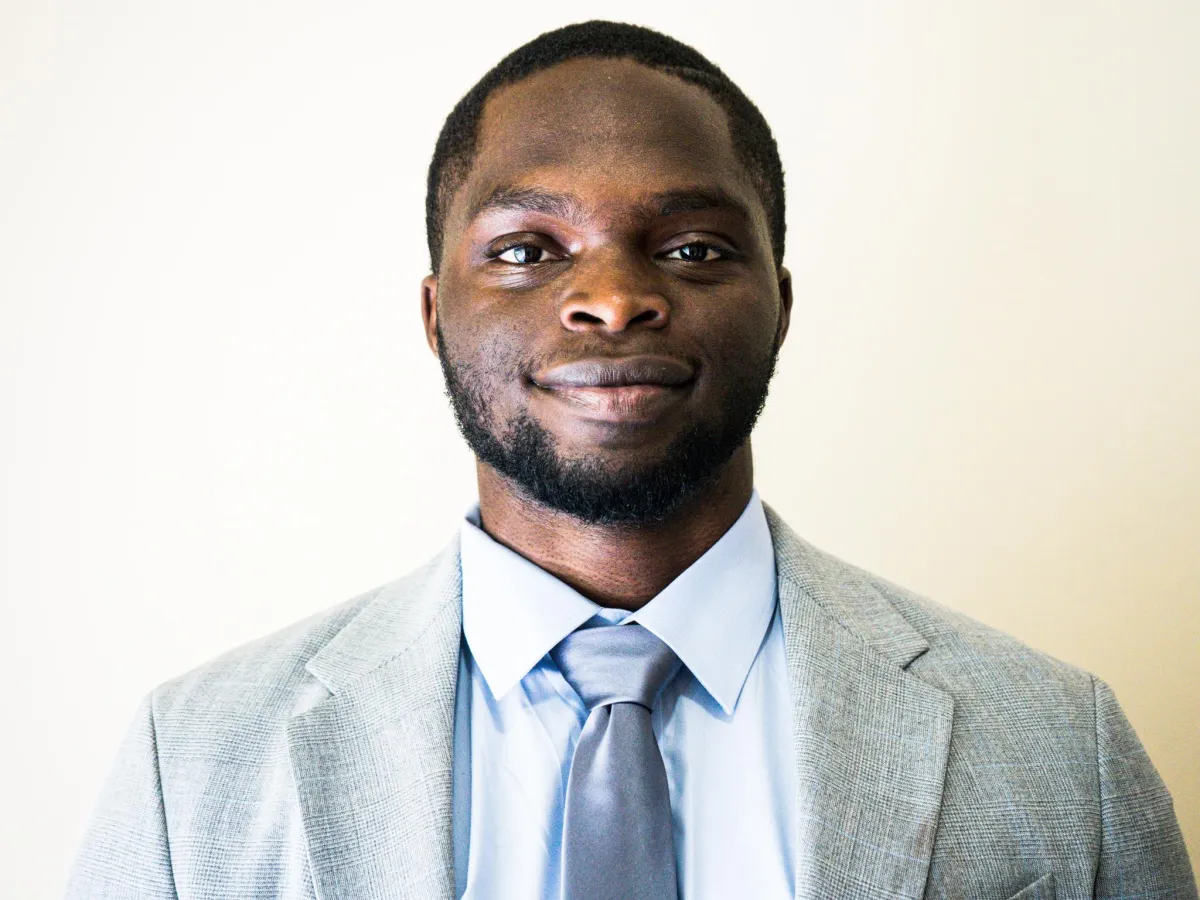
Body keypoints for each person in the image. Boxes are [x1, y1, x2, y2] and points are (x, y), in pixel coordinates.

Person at [66, 20, 1195, 900]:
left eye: (693, 248)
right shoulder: (194, 762)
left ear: (780, 305)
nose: (611, 299)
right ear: (435, 314)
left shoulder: (1059, 745)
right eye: (526, 250)